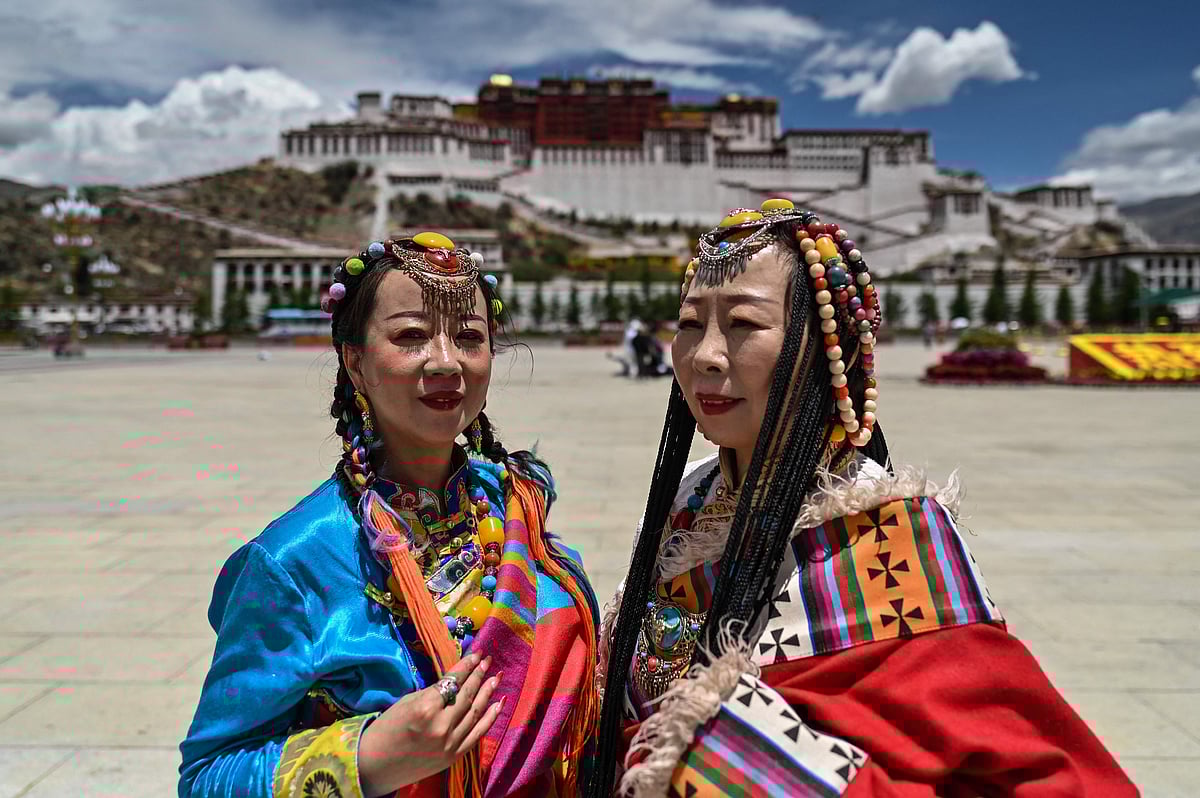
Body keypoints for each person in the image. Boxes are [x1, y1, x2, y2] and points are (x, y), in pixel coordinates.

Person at [587, 202, 1136, 797]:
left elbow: (1030, 773)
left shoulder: (893, 533)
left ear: (832, 349)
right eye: (691, 324)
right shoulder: (691, 497)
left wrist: (729, 757)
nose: (706, 355)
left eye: (743, 324)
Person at [179, 233, 599, 798]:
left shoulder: (516, 505)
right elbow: (208, 776)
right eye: (411, 336)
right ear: (355, 363)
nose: (448, 361)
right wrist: (370, 756)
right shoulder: (293, 561)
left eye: (470, 338)